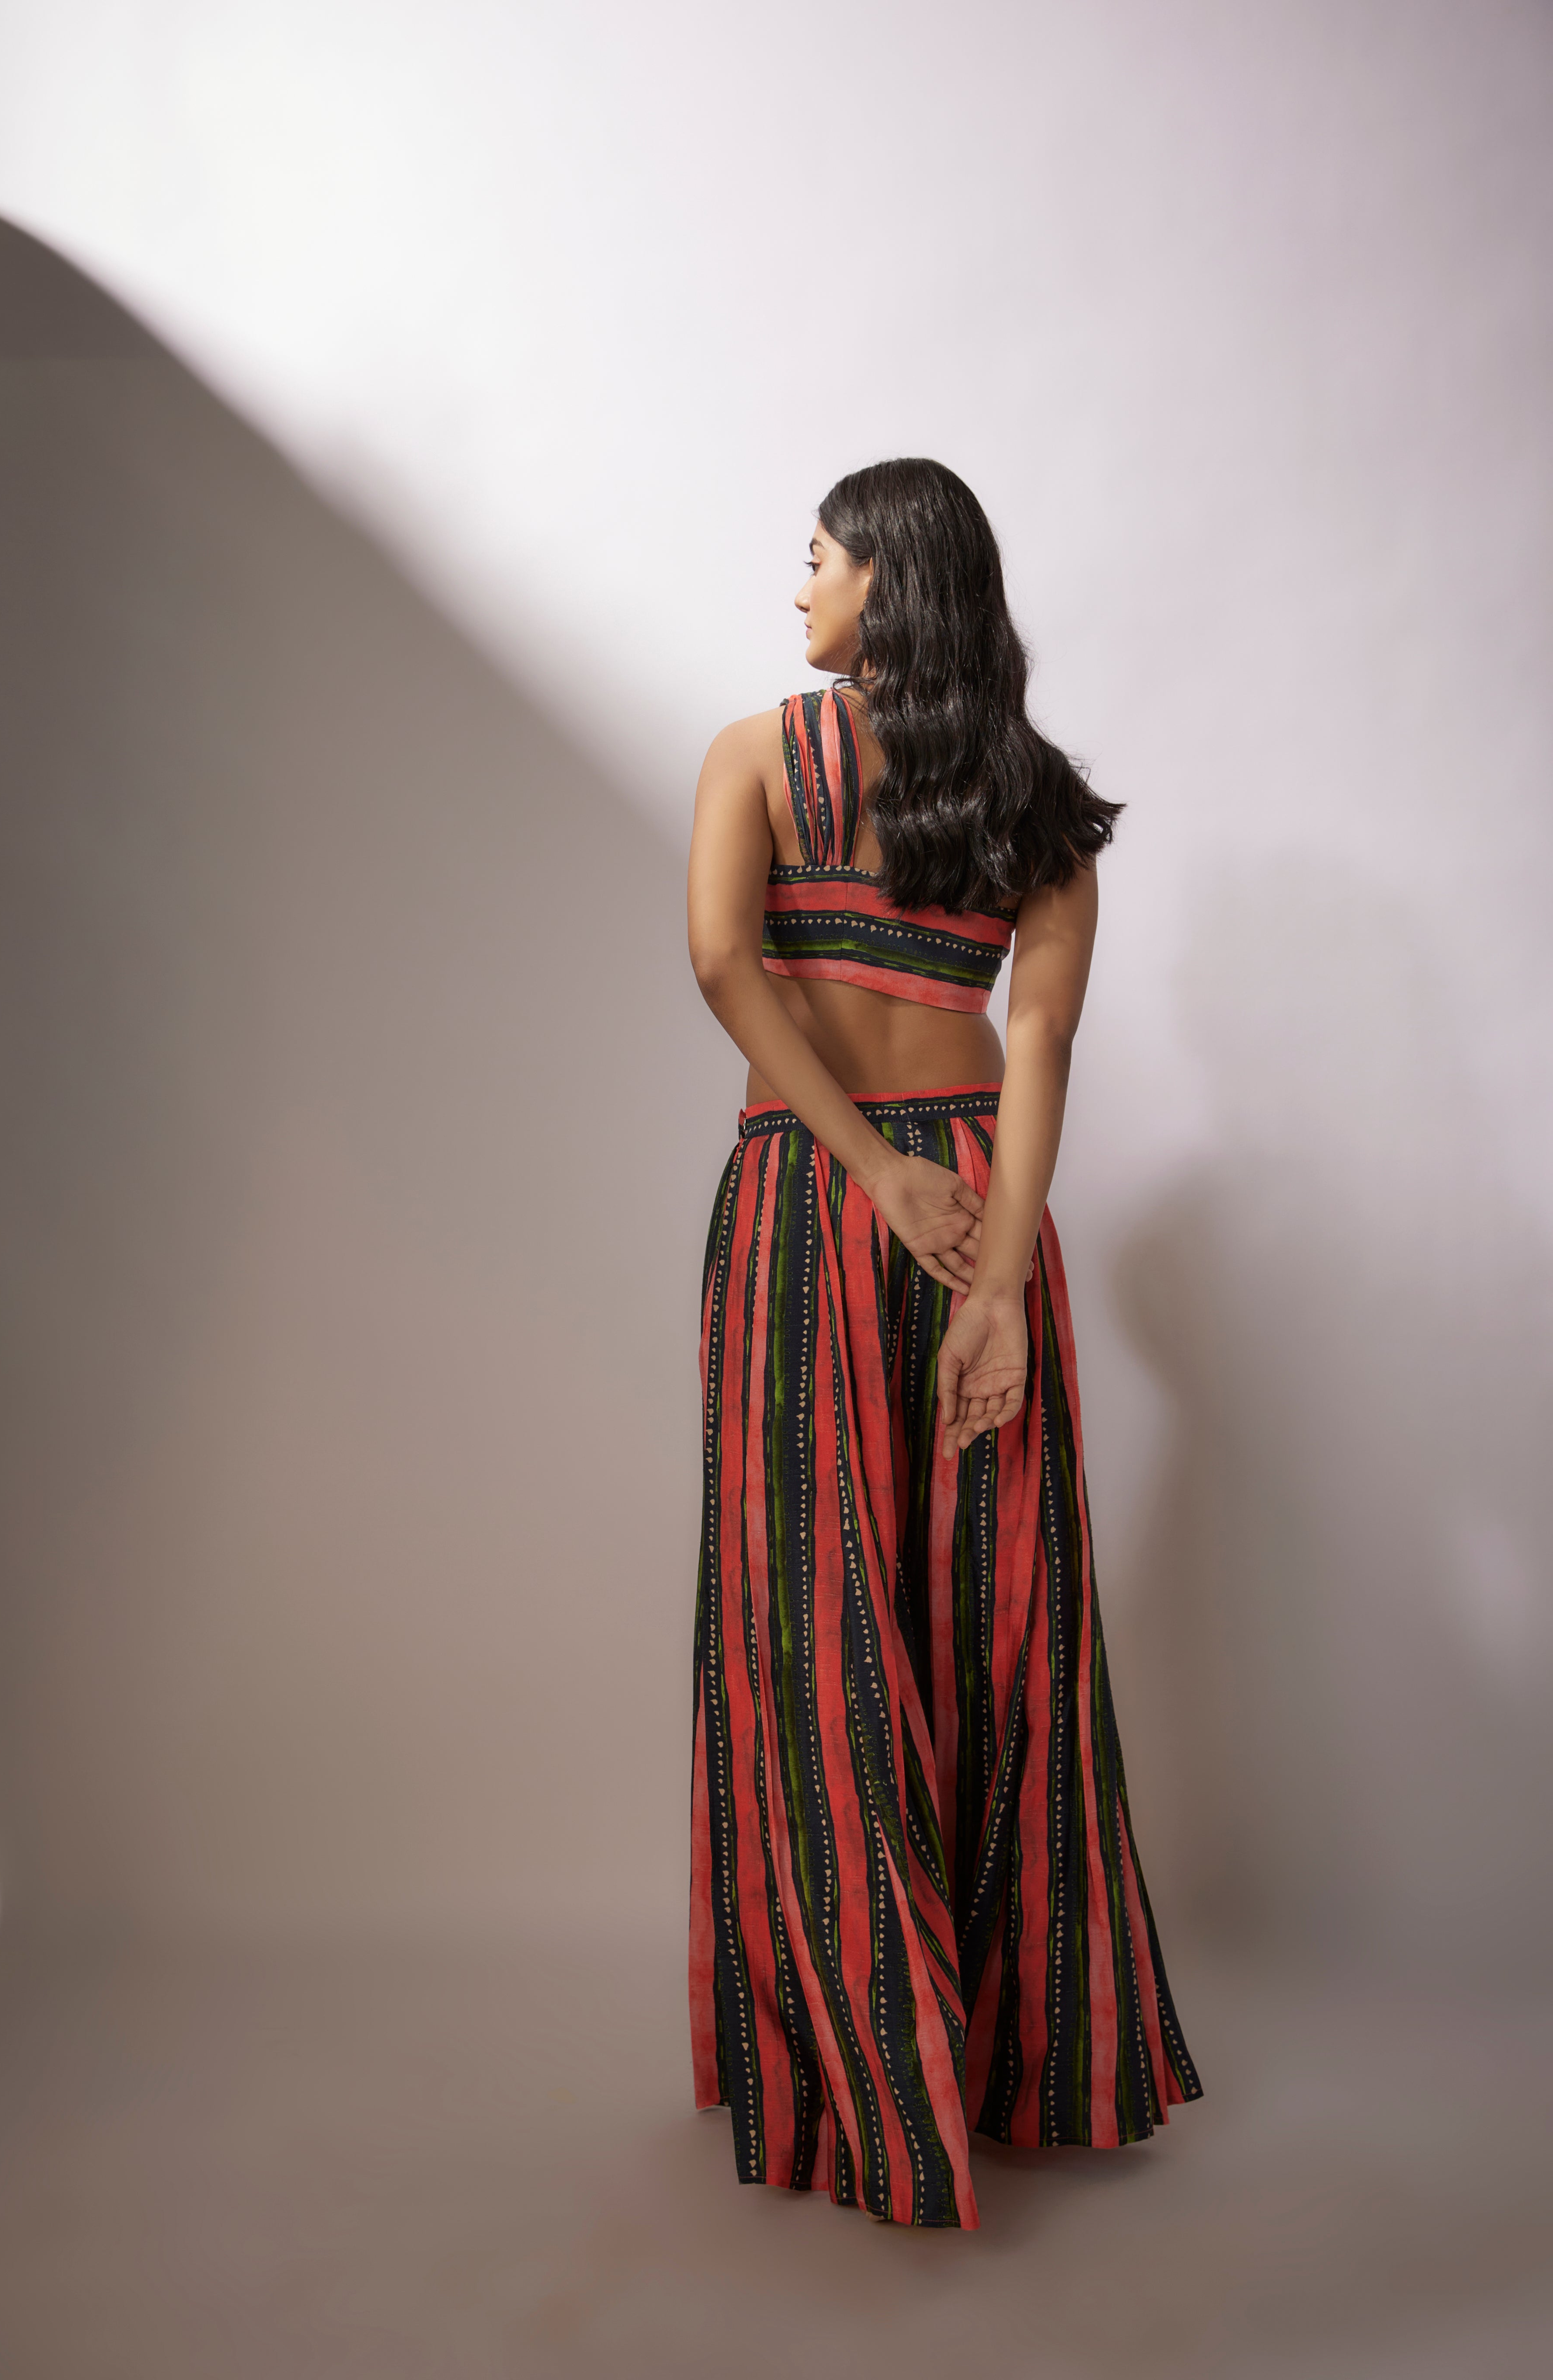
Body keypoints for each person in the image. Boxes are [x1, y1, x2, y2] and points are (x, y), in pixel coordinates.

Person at [685, 458, 1200, 2230]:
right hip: (984, 1197)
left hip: (810, 1195)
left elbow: (725, 965)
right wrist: (990, 1279)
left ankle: (865, 2087)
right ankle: (1015, 2069)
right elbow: (1038, 1044)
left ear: (887, 581)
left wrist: (868, 1175)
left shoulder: (755, 757)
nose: (799, 589)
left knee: (811, 1616)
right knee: (998, 1613)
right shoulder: (1036, 800)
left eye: (818, 558)